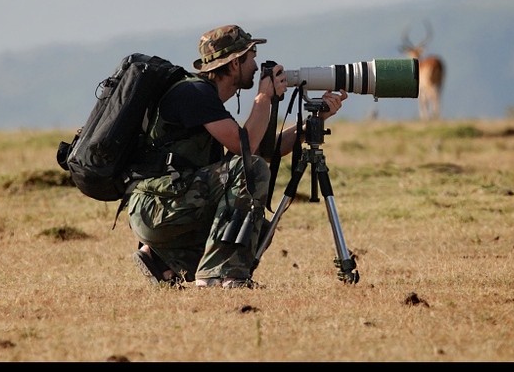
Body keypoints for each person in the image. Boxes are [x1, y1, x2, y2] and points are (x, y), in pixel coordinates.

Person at [127, 24, 348, 289]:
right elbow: (247, 153)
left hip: (168, 204)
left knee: (258, 229)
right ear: (234, 64)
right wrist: (264, 98)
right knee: (250, 170)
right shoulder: (194, 93)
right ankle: (221, 276)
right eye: (252, 56)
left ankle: (163, 261)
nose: (257, 67)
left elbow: (264, 150)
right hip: (157, 206)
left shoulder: (205, 99)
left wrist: (312, 123)